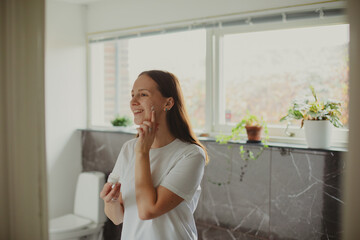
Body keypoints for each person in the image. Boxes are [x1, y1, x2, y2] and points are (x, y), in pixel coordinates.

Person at [100, 70, 209, 240]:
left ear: (168, 103)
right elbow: (118, 217)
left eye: (143, 94)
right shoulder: (129, 148)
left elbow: (147, 210)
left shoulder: (191, 155)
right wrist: (110, 201)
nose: (133, 102)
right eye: (132, 95)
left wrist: (143, 152)